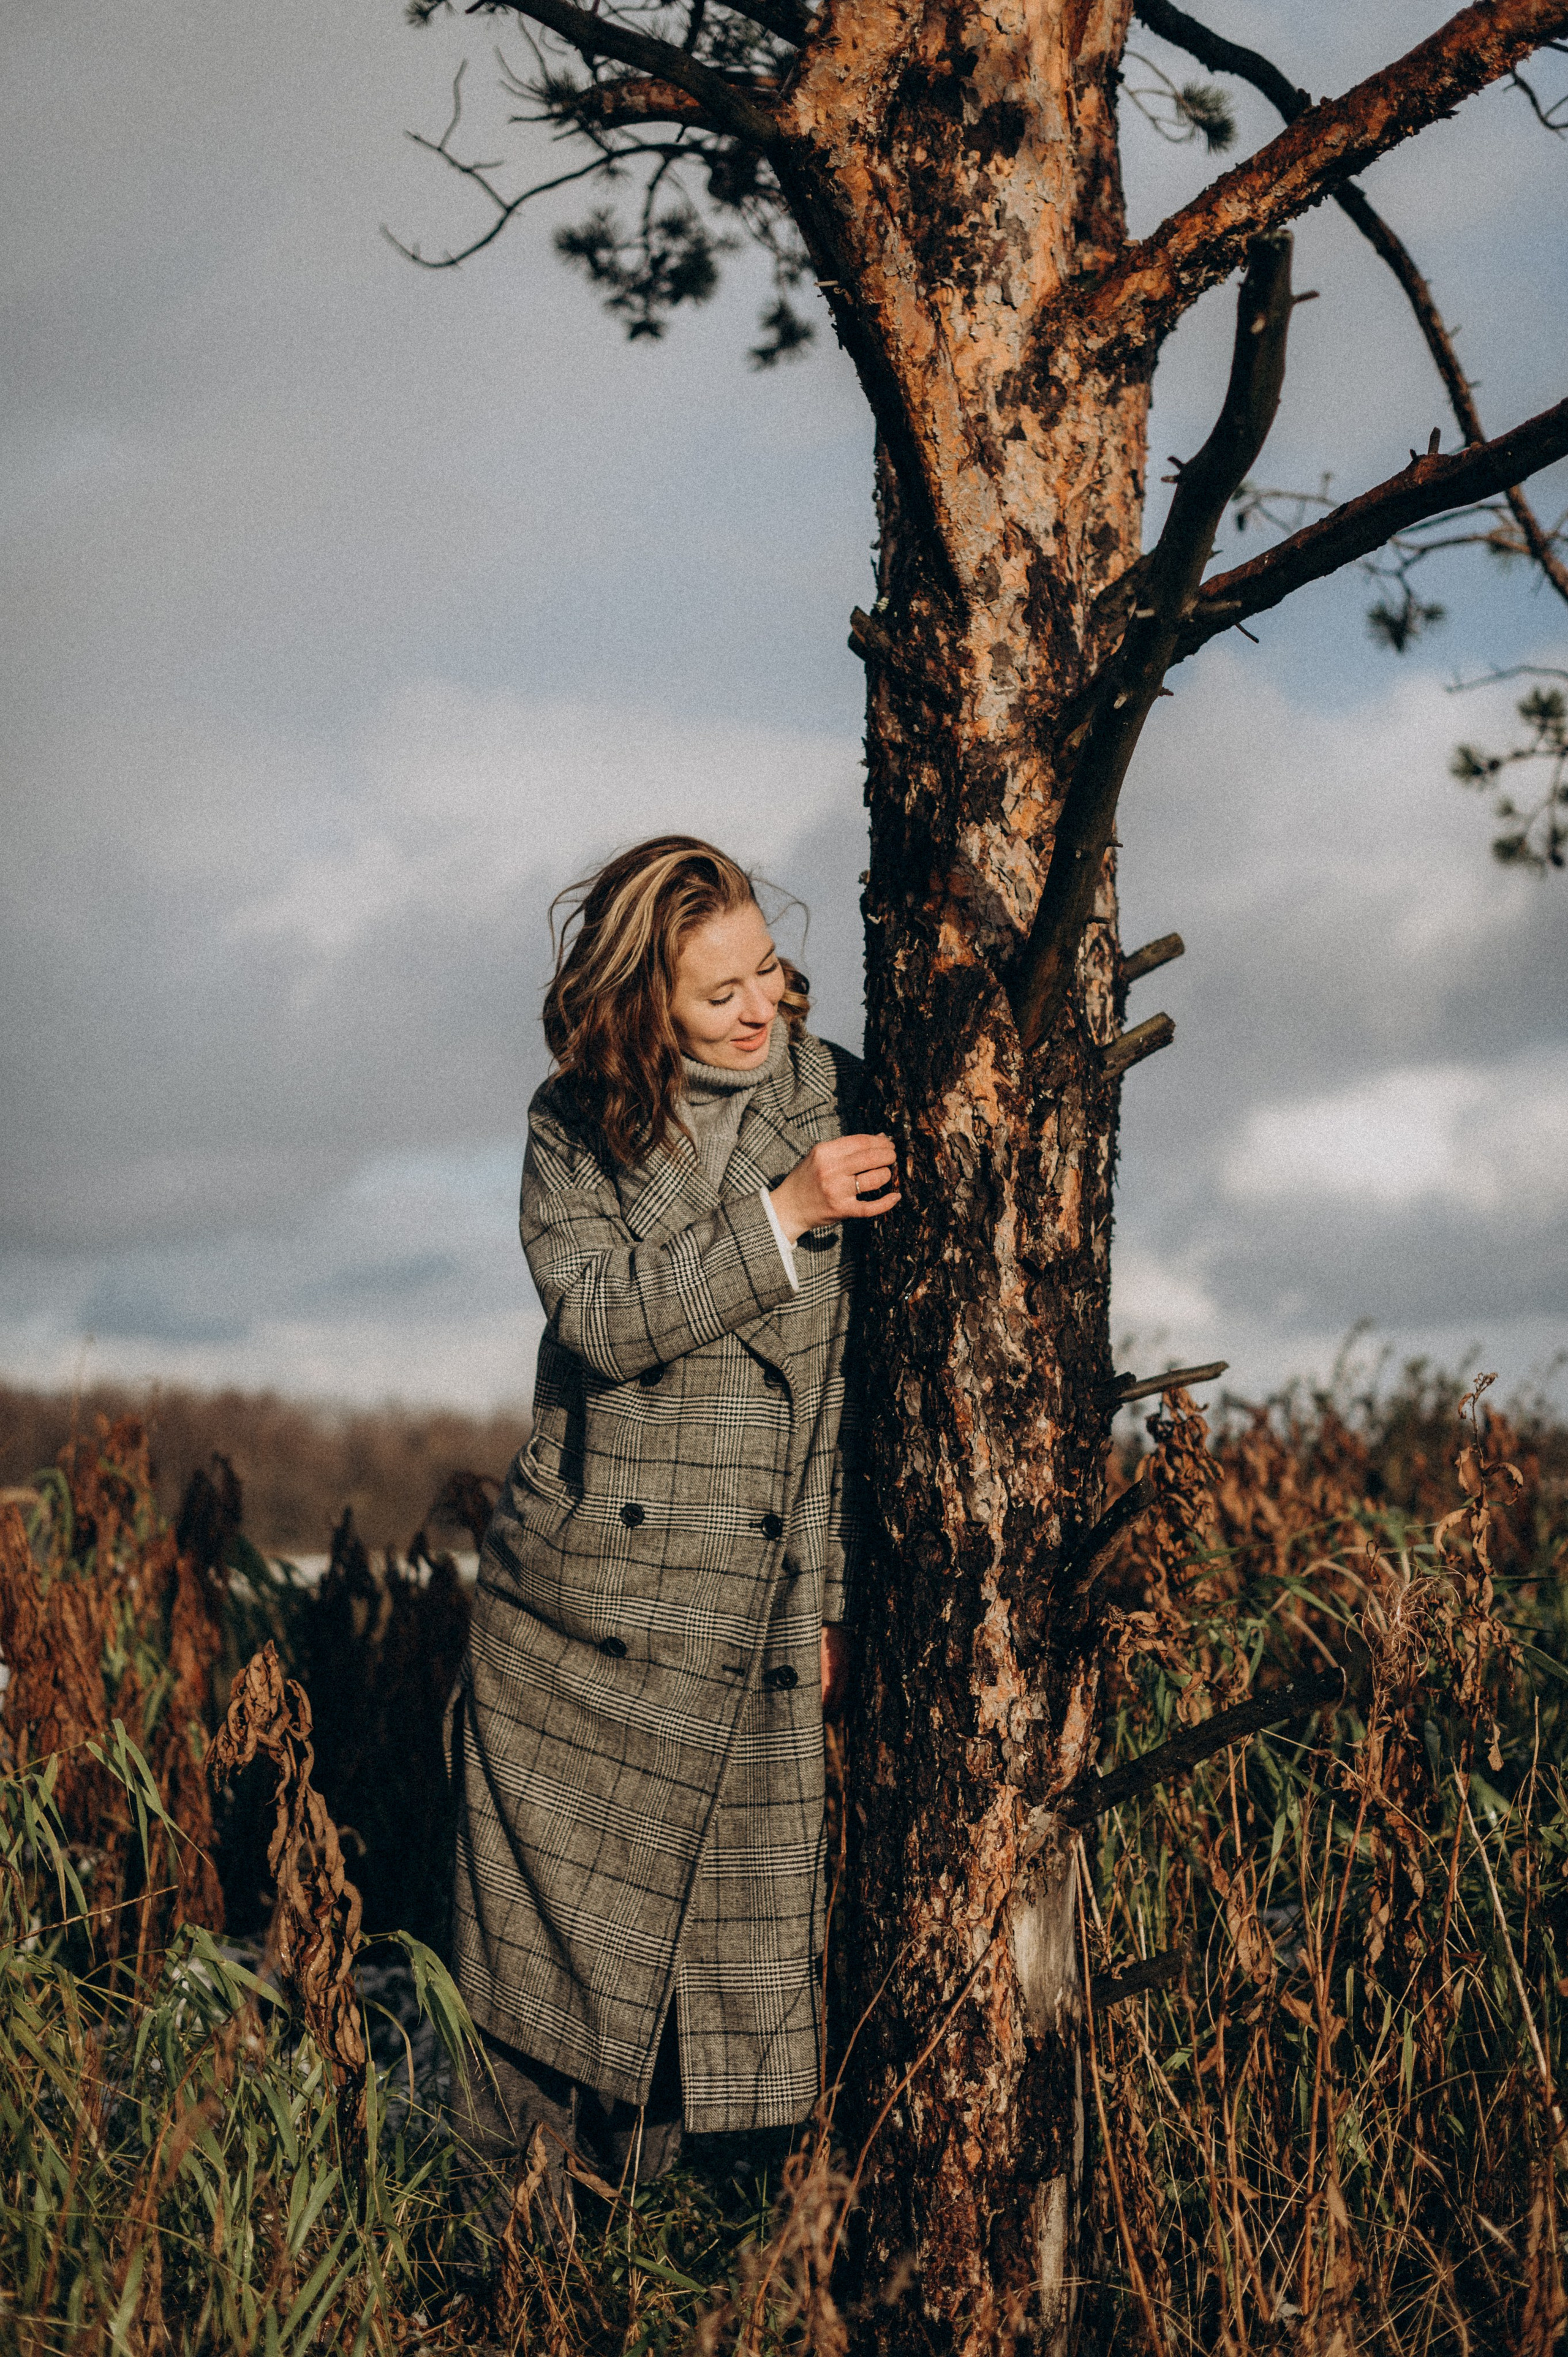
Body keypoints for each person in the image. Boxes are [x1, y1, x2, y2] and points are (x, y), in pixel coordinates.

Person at [447, 834, 900, 2249]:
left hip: (751, 1611)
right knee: (546, 1973)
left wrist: (825, 1598)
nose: (759, 1007)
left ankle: (696, 2265)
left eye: (766, 968)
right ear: (646, 1007)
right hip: (573, 1612)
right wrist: (785, 1212)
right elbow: (596, 1313)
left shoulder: (837, 1098)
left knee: (713, 1969)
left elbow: (845, 1395)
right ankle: (508, 2272)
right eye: (718, 995)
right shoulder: (569, 1122)